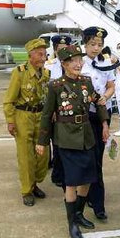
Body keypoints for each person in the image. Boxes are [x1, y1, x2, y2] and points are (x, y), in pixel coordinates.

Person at [36, 44, 110, 238]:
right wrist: (42, 142)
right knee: (71, 182)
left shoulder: (87, 82)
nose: (78, 64)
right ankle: (72, 224)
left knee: (87, 180)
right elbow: (46, 115)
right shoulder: (55, 86)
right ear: (64, 64)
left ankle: (78, 213)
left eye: (80, 60)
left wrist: (104, 124)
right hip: (66, 139)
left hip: (87, 136)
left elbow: (99, 101)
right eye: (73, 61)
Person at [3, 38, 51, 206]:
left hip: (41, 116)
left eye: (45, 54)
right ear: (30, 55)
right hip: (23, 117)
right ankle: (26, 190)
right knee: (26, 156)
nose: (44, 57)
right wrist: (10, 121)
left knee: (42, 154)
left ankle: (35, 182)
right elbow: (9, 99)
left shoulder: (46, 73)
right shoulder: (20, 72)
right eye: (40, 54)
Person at [81, 26, 116, 220]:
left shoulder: (106, 62)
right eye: (92, 44)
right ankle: (87, 195)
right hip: (84, 117)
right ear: (85, 44)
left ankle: (98, 203)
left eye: (99, 45)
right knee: (87, 159)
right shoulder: (78, 63)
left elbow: (111, 86)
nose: (96, 48)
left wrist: (105, 96)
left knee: (97, 159)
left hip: (102, 115)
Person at [44, 34, 72, 187]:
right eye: (60, 49)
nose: (63, 51)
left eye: (66, 48)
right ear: (55, 50)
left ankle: (65, 172)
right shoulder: (49, 66)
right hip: (56, 112)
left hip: (70, 111)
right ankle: (57, 174)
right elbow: (47, 92)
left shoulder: (73, 64)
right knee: (57, 144)